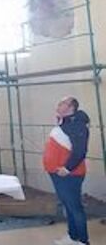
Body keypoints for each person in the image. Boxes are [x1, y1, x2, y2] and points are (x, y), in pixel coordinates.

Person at [43, 96, 90, 245]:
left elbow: (80, 151)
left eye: (62, 103)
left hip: (70, 175)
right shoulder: (65, 123)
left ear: (71, 107)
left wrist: (67, 168)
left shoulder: (78, 125)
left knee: (75, 207)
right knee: (68, 206)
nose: (58, 104)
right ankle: (73, 237)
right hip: (58, 174)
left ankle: (83, 241)